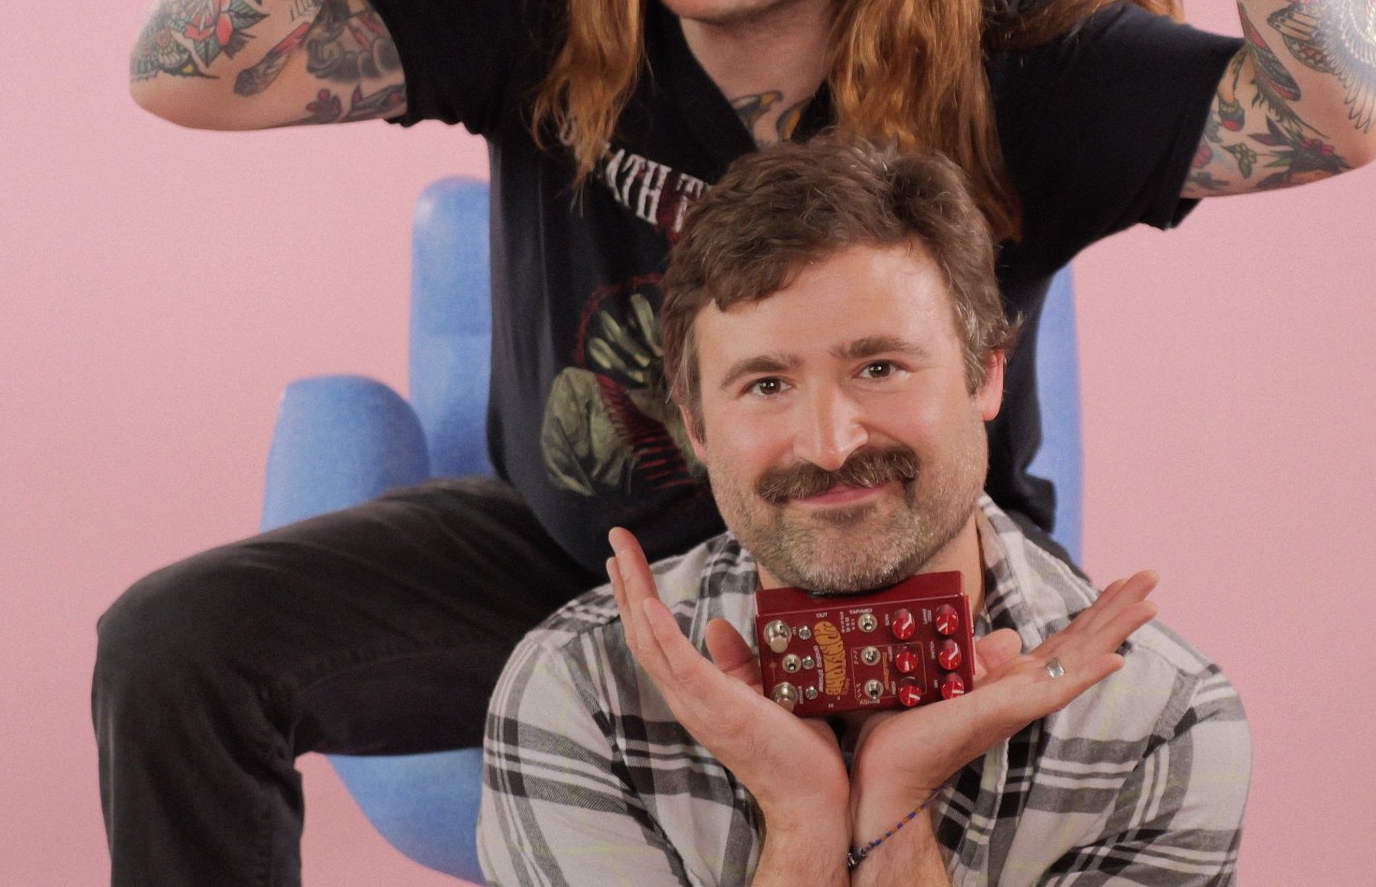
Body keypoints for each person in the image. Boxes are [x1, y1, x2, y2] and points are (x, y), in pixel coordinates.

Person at [101, 0, 1376, 884]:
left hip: (894, 569)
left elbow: (1352, 114)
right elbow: (185, 73)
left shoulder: (1018, 52)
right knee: (177, 647)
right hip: (574, 563)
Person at [480, 136, 1249, 886]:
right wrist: (804, 822)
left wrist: (898, 810)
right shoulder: (577, 694)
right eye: (767, 384)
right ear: (696, 423)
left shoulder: (1162, 724)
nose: (829, 445)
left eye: (879, 367)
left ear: (987, 375)